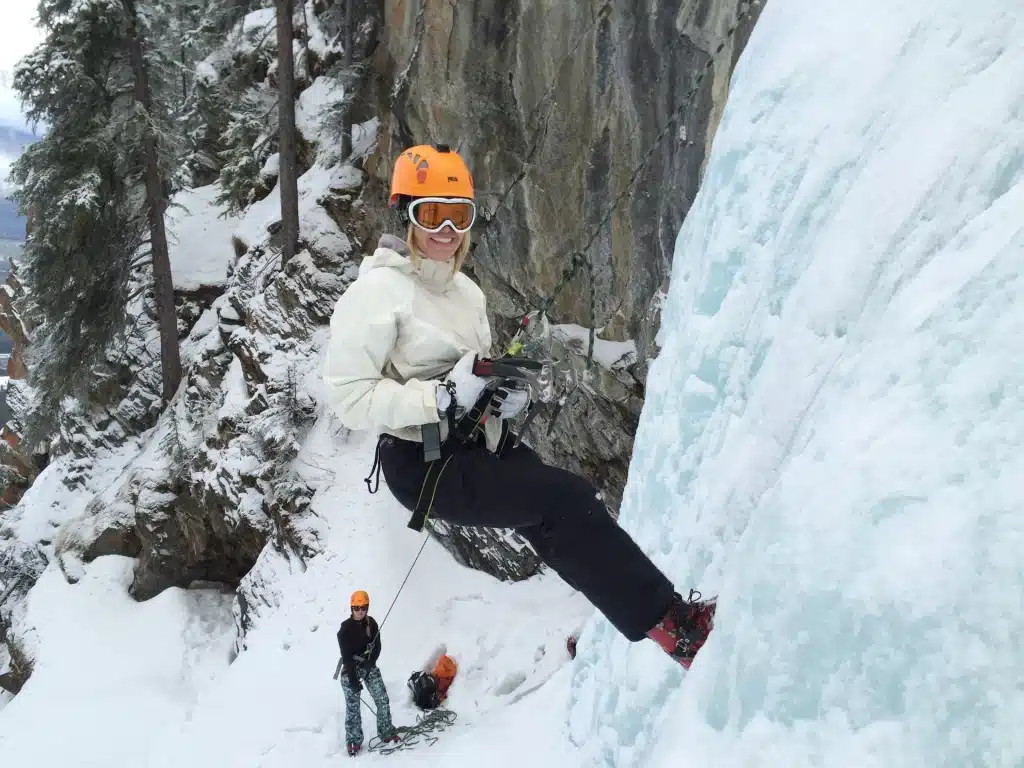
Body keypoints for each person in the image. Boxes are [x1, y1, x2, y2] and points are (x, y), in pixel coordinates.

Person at [323, 143, 716, 670]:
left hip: (474, 445)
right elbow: (349, 395)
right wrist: (438, 398)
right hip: (421, 463)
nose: (446, 229)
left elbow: (472, 379)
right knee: (564, 501)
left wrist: (496, 398)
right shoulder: (376, 292)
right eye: (432, 213)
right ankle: (677, 629)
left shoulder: (467, 294)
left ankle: (669, 628)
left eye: (457, 215)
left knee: (563, 512)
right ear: (408, 215)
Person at [336, 590, 399, 756]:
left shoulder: (371, 624)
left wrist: (371, 662)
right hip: (351, 668)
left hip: (368, 666)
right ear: (351, 608)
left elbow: (377, 647)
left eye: (363, 607)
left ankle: (386, 732)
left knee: (382, 699)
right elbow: (347, 657)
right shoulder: (344, 630)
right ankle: (353, 741)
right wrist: (353, 680)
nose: (360, 611)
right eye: (356, 608)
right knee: (353, 706)